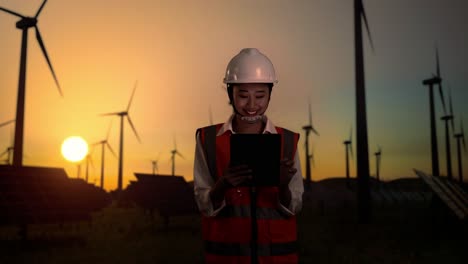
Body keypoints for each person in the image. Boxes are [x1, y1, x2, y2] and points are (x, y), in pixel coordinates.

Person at [194, 48, 304, 264]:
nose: (252, 105)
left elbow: (295, 206)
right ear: (230, 94)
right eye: (243, 95)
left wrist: (282, 185)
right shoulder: (207, 139)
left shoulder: (288, 141)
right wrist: (222, 184)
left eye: (260, 96)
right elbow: (202, 202)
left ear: (270, 94)